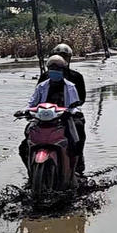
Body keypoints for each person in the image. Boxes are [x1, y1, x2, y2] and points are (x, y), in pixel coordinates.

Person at [21, 55, 83, 171]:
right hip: (42, 119)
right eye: (52, 69)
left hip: (62, 119)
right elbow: (32, 102)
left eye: (58, 70)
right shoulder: (41, 86)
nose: (55, 72)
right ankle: (30, 171)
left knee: (75, 140)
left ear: (63, 71)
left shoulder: (70, 87)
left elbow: (75, 105)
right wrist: (25, 111)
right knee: (23, 145)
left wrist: (73, 112)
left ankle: (75, 167)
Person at [37, 44, 87, 172]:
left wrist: (72, 108)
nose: (61, 59)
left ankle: (78, 159)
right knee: (26, 139)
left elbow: (81, 99)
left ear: (69, 59)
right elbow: (35, 97)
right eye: (59, 56)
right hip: (46, 115)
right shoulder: (44, 78)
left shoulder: (76, 77)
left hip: (67, 114)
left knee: (79, 128)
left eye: (65, 56)